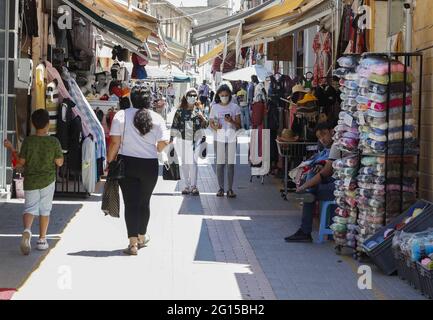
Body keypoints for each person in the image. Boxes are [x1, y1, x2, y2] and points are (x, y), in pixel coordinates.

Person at [108, 84, 170, 255]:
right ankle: (142, 236)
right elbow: (165, 140)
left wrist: (109, 161)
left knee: (131, 203)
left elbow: (114, 142)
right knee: (144, 202)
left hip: (127, 164)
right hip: (149, 166)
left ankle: (133, 243)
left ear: (131, 99)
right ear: (149, 100)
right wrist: (157, 149)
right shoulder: (157, 118)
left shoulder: (121, 115)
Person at [3, 109, 64, 255]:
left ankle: (27, 230)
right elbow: (60, 162)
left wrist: (11, 148)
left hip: (30, 180)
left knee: (30, 208)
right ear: (48, 124)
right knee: (45, 210)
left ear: (33, 124)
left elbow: (21, 162)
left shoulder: (28, 141)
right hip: (48, 180)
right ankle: (42, 240)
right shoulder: (53, 142)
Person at [284, 122, 340, 243]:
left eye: (324, 134)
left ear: (332, 131)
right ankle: (306, 230)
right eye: (319, 137)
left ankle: (305, 231)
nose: (322, 139)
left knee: (309, 195)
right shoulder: (330, 147)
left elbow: (325, 173)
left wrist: (304, 186)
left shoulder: (336, 145)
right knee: (310, 188)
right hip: (337, 184)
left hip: (339, 188)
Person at [170, 88, 208, 196]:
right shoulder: (179, 111)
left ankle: (194, 186)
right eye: (190, 95)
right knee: (185, 163)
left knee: (193, 163)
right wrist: (171, 140)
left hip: (196, 140)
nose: (192, 97)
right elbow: (174, 126)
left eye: (194, 95)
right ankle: (186, 185)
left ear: (196, 97)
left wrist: (203, 118)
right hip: (182, 140)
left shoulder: (198, 110)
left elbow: (205, 125)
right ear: (186, 97)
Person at [209, 83, 241, 198]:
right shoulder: (214, 107)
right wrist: (215, 127)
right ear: (218, 95)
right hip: (219, 139)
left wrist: (231, 121)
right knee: (220, 164)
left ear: (229, 95)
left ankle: (230, 189)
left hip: (231, 138)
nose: (224, 97)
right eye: (222, 95)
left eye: (226, 95)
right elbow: (211, 123)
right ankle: (221, 188)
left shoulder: (235, 107)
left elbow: (239, 125)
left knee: (230, 164)